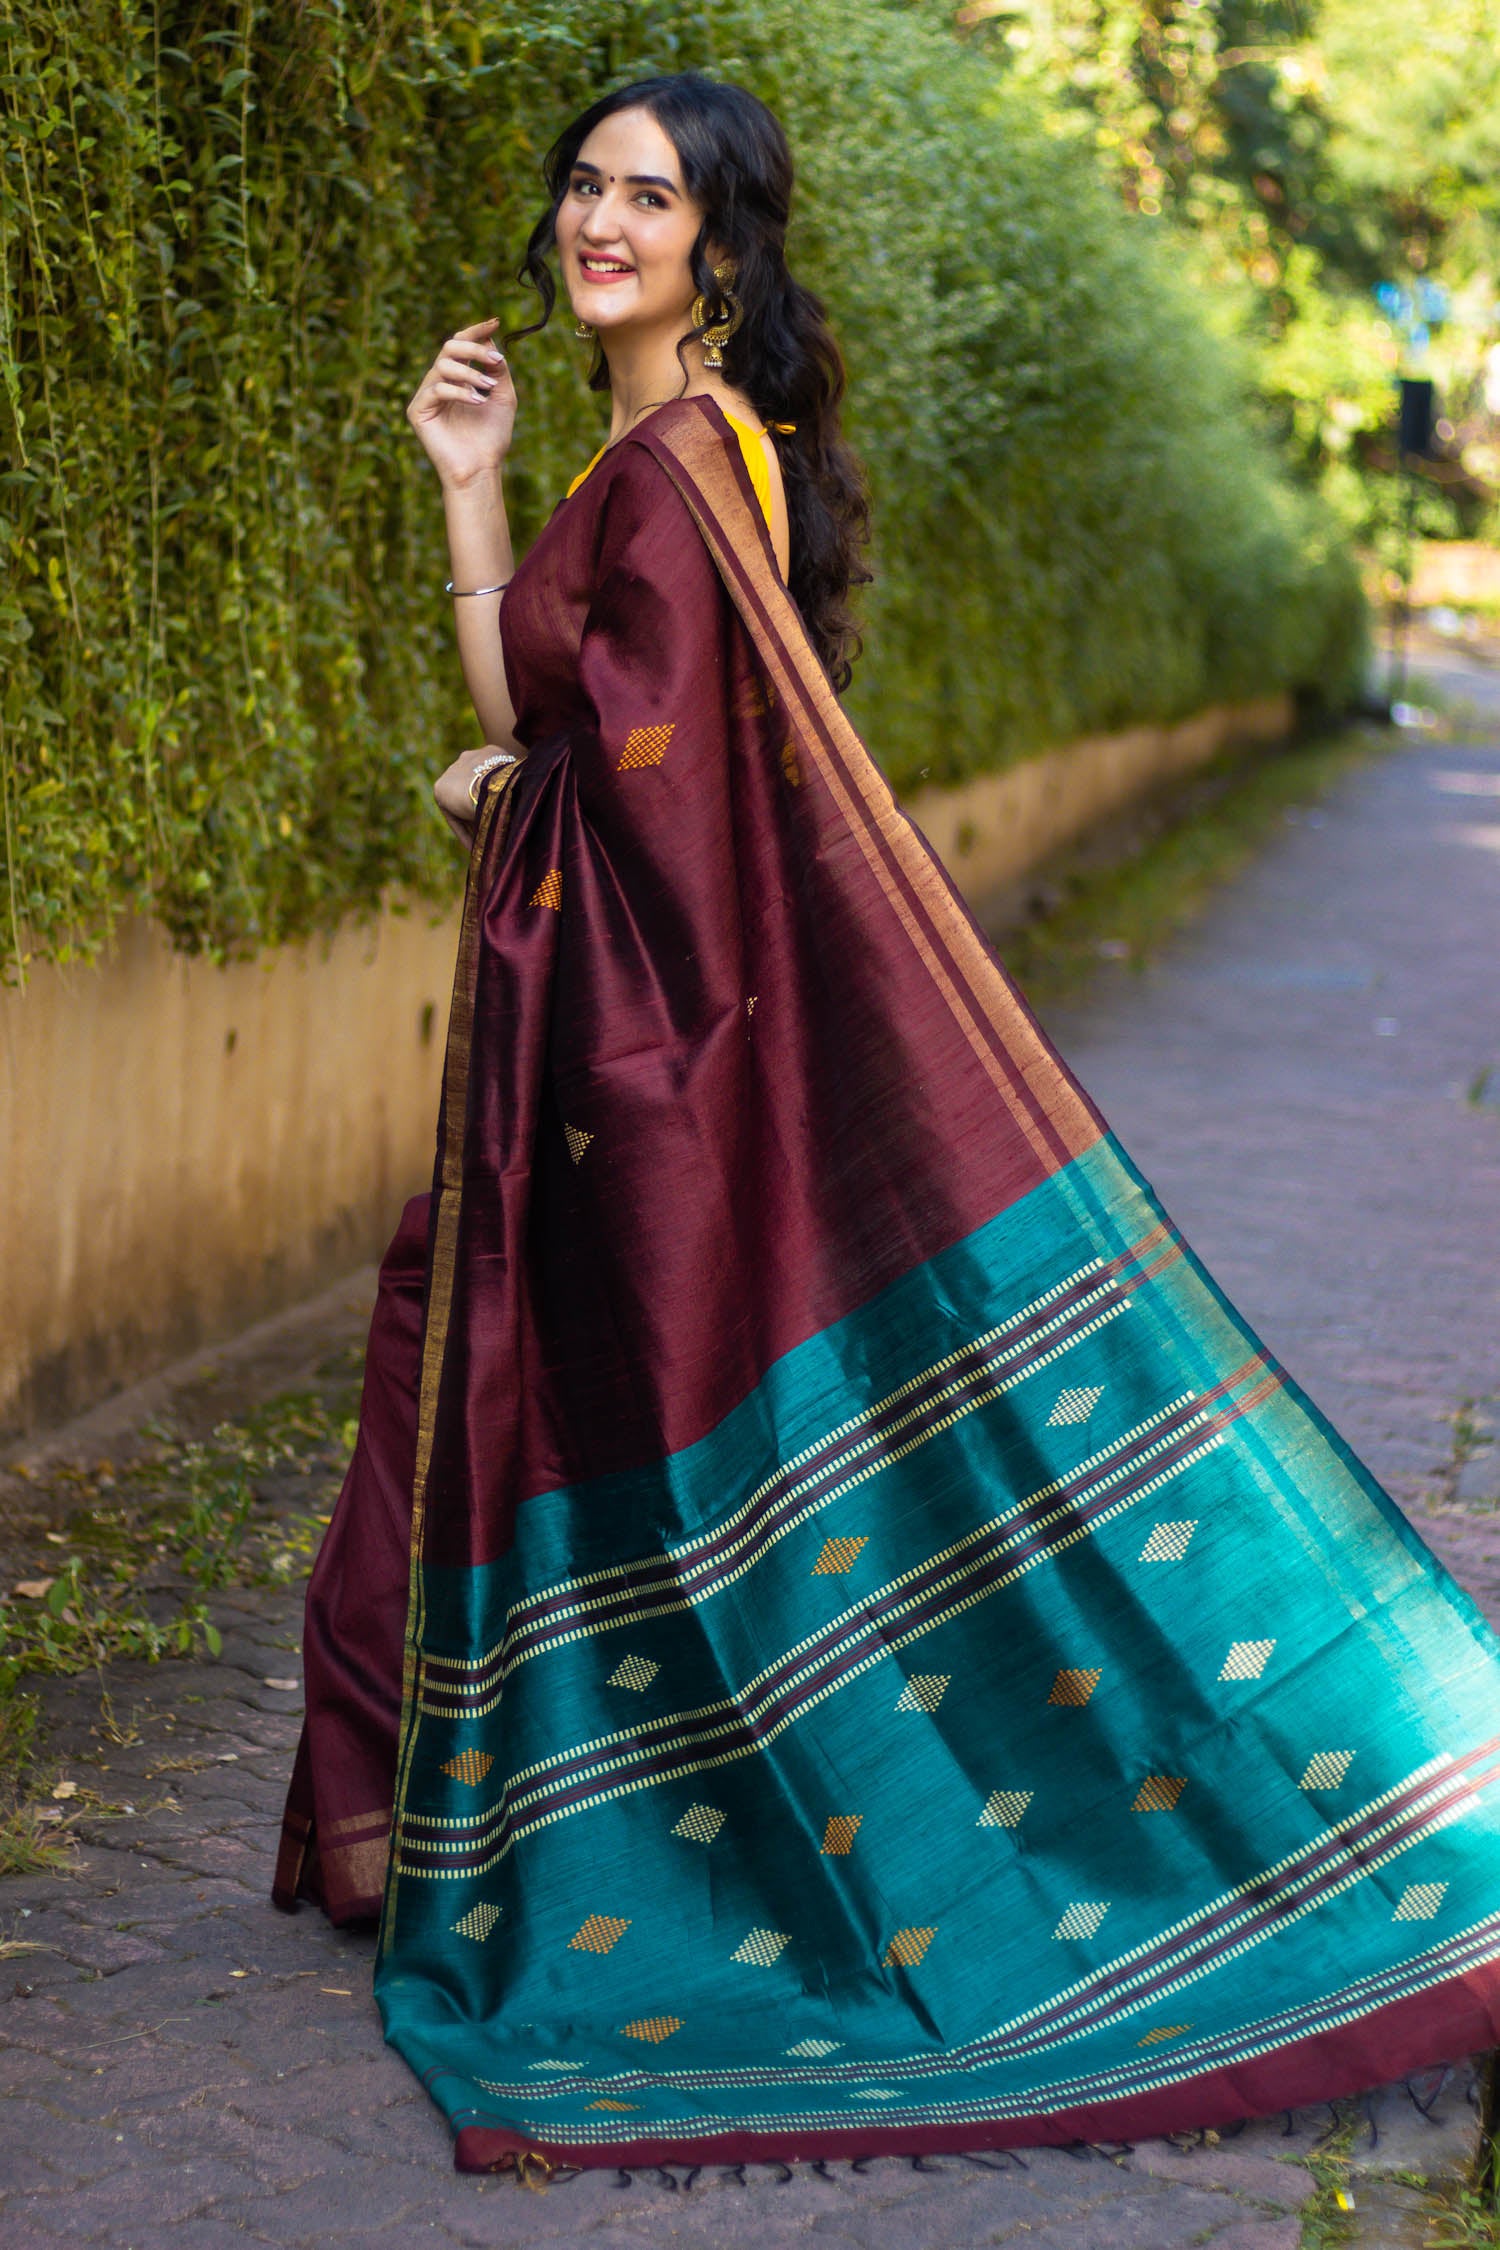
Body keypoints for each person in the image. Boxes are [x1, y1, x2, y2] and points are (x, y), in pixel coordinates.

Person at [274, 72, 1500, 2179]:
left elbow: (626, 800)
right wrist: (470, 491)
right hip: (607, 1063)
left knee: (512, 1389)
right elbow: (560, 715)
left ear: (718, 250)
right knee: (452, 1358)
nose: (598, 220)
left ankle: (495, 1838)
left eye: (645, 198)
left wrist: (511, 809)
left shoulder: (677, 467)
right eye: (583, 183)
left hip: (635, 1075)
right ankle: (413, 1827)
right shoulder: (664, 454)